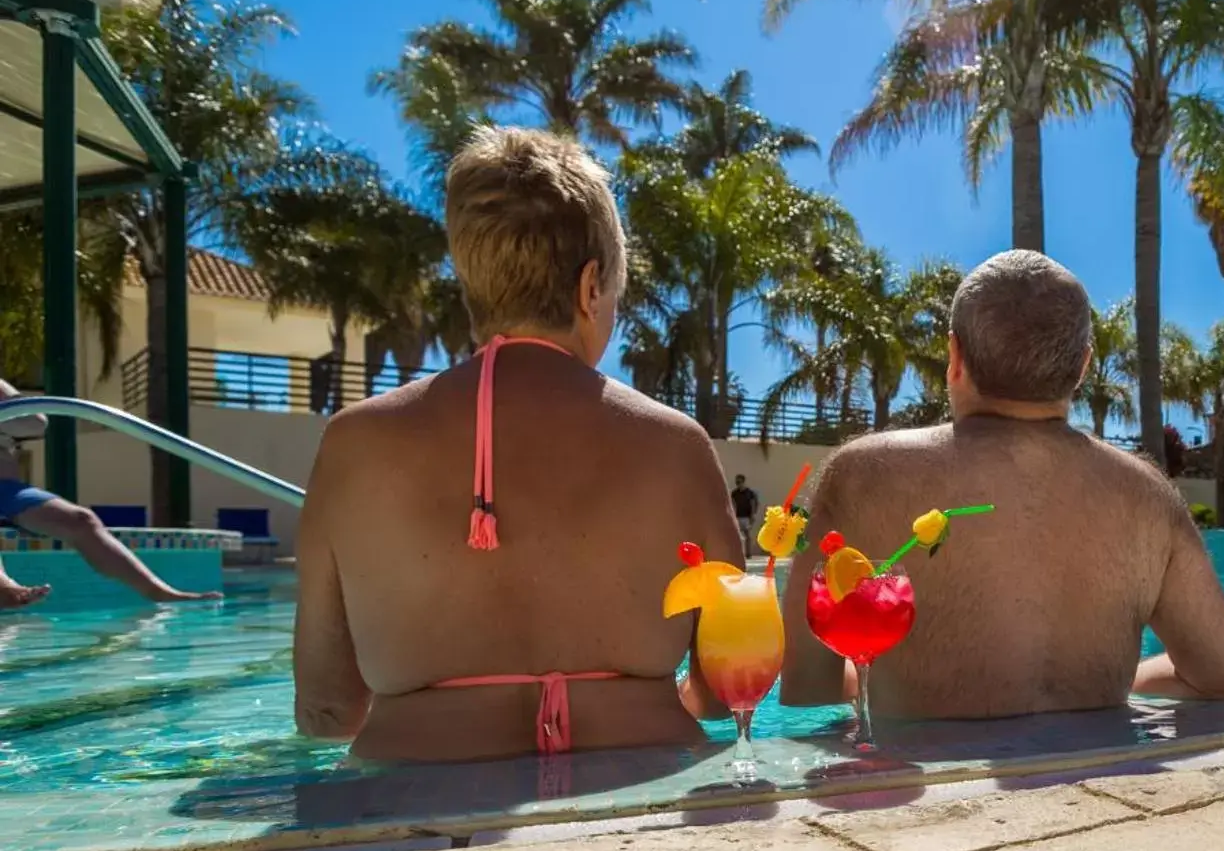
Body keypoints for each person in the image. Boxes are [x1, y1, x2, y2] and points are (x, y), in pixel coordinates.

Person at [293, 127, 742, 761]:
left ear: (473, 281)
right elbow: (729, 689)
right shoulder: (677, 446)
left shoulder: (353, 445)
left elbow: (327, 710)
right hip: (644, 796)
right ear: (591, 288)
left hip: (408, 808)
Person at [779, 249, 1224, 718]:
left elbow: (806, 690)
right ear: (1082, 366)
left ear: (955, 355)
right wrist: (1113, 683)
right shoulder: (1148, 495)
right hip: (1097, 777)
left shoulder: (864, 475)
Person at [0, 377, 218, 607]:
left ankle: (159, 592)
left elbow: (36, 422)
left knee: (82, 520)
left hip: (8, 489)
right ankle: (5, 587)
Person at [730, 474, 759, 558]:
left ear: (743, 482)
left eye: (739, 482)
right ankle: (738, 553)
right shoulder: (734, 493)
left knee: (747, 536)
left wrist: (752, 516)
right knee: (737, 536)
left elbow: (753, 504)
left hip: (746, 517)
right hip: (737, 516)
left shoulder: (749, 493)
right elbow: (732, 504)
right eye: (736, 482)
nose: (738, 484)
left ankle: (748, 553)